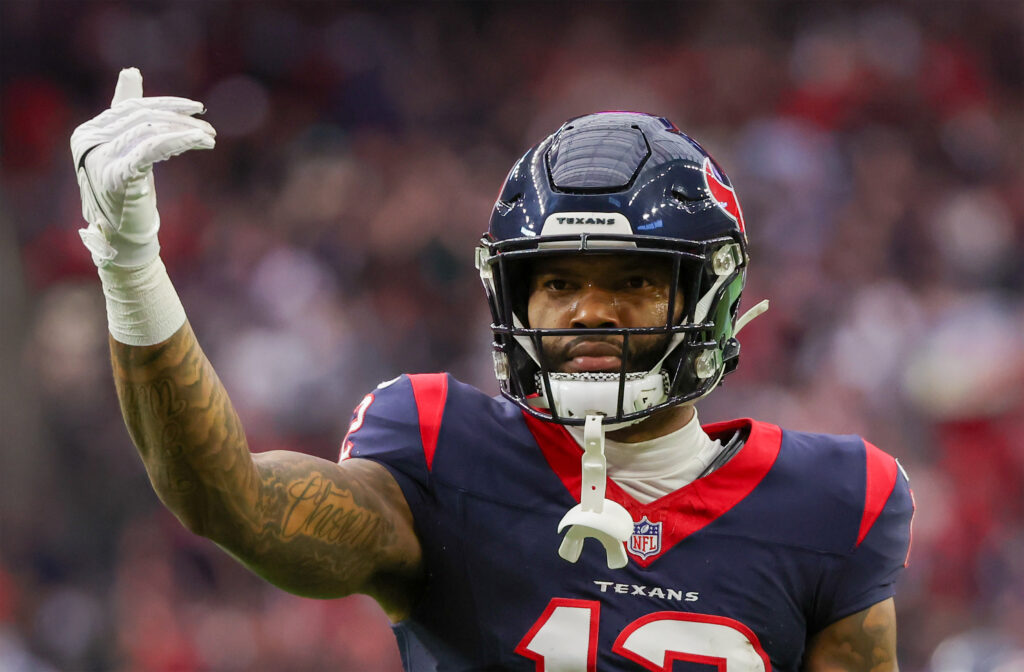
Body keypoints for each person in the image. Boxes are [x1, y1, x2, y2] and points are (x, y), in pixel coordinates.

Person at [72, 68, 914, 671]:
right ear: (512, 296)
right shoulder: (444, 451)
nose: (590, 311)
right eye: (557, 283)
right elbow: (233, 504)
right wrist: (132, 268)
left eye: (633, 282)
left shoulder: (834, 502)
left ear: (711, 296)